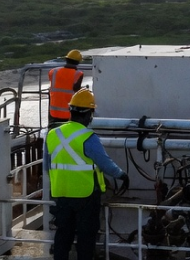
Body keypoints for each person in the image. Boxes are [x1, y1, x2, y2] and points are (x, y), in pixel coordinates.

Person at [45, 88, 129, 260]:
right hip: (85, 196)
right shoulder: (88, 137)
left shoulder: (53, 134)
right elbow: (105, 163)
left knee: (63, 234)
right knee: (86, 237)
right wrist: (122, 175)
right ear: (89, 115)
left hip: (61, 193)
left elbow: (47, 166)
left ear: (71, 111)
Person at [48, 49, 85, 126]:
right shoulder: (78, 74)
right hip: (69, 113)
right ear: (78, 62)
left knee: (53, 130)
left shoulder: (53, 71)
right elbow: (77, 90)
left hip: (53, 111)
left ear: (66, 59)